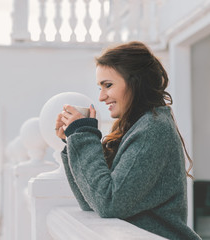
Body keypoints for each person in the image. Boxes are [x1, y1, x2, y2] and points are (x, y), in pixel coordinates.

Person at [55, 41, 201, 240]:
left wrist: (82, 136)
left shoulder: (152, 129)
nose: (101, 97)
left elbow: (109, 202)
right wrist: (73, 140)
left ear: (135, 82)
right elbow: (91, 200)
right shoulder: (137, 127)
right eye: (99, 87)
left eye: (108, 85)